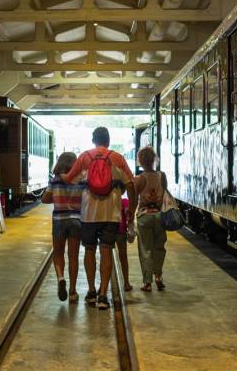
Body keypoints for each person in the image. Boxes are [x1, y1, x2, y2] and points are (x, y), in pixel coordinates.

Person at [62, 127, 137, 310]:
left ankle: (91, 291)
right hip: (111, 213)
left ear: (93, 140)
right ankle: (103, 295)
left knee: (89, 250)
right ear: (108, 140)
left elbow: (69, 179)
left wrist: (60, 174)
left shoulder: (85, 157)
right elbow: (131, 184)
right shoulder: (117, 157)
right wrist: (131, 211)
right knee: (106, 250)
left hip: (89, 213)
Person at [42, 152, 84, 303]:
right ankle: (73, 291)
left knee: (58, 253)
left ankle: (60, 278)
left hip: (59, 220)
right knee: (73, 257)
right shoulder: (80, 180)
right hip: (76, 220)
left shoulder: (54, 180)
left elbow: (45, 199)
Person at [134, 146, 167, 292]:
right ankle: (158, 276)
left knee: (145, 249)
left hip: (144, 217)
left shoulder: (140, 179)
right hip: (160, 216)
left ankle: (147, 283)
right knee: (159, 247)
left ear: (140, 161)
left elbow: (134, 199)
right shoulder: (162, 176)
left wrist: (130, 216)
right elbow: (165, 194)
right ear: (155, 159)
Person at [117, 197, 134, 292]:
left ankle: (103, 285)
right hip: (121, 231)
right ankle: (126, 283)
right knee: (123, 258)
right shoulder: (124, 201)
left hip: (109, 231)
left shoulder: (107, 199)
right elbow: (128, 213)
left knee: (107, 258)